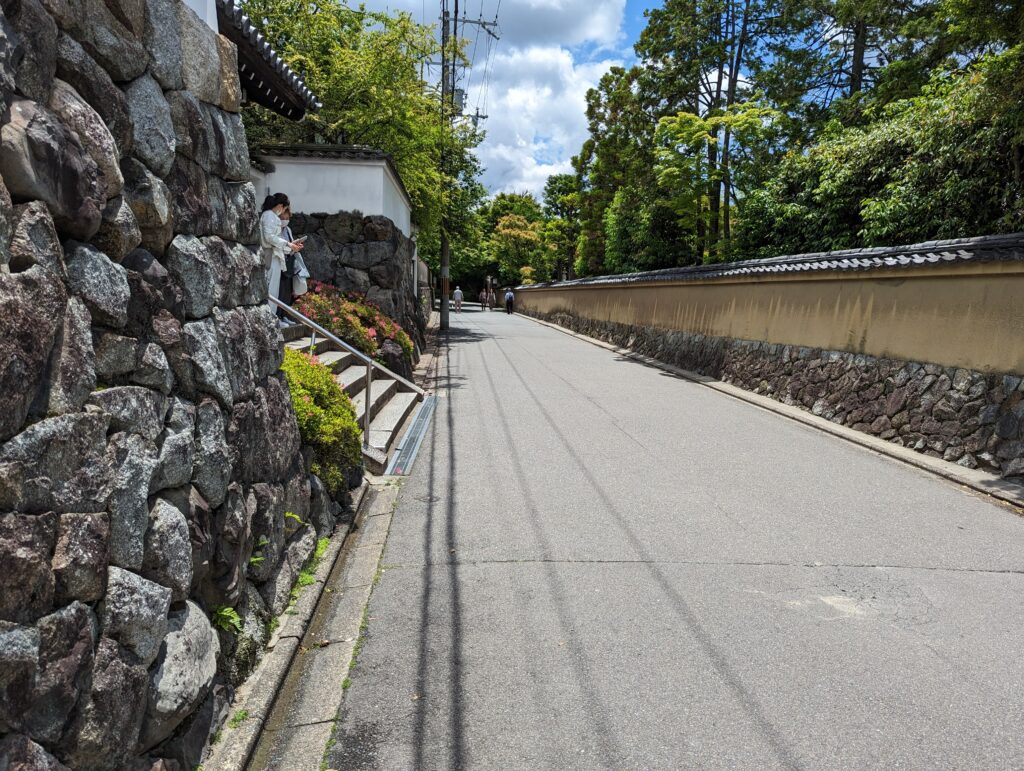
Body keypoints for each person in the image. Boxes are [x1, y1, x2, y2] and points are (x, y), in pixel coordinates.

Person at [259, 193, 304, 326]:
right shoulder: (269, 216)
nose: (284, 212)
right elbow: (270, 238)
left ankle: (273, 319)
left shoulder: (269, 216)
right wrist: (288, 245)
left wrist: (291, 247)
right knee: (271, 290)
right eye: (284, 209)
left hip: (275, 255)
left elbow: (274, 242)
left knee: (274, 290)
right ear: (280, 206)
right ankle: (271, 320)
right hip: (271, 257)